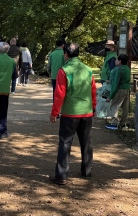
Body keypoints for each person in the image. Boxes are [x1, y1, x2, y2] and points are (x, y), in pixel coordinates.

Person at [49, 43, 97, 185]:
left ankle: (62, 175)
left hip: (70, 113)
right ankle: (87, 170)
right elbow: (93, 91)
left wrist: (54, 112)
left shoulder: (64, 70)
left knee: (65, 142)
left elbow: (59, 94)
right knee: (86, 142)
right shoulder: (88, 70)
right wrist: (93, 107)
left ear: (66, 54)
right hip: (86, 112)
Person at [105, 54, 131, 130]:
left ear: (120, 61)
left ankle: (114, 124)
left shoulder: (118, 69)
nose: (115, 61)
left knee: (114, 106)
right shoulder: (127, 68)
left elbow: (116, 83)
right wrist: (110, 81)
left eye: (116, 60)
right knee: (125, 107)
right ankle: (123, 123)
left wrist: (110, 96)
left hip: (119, 90)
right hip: (127, 89)